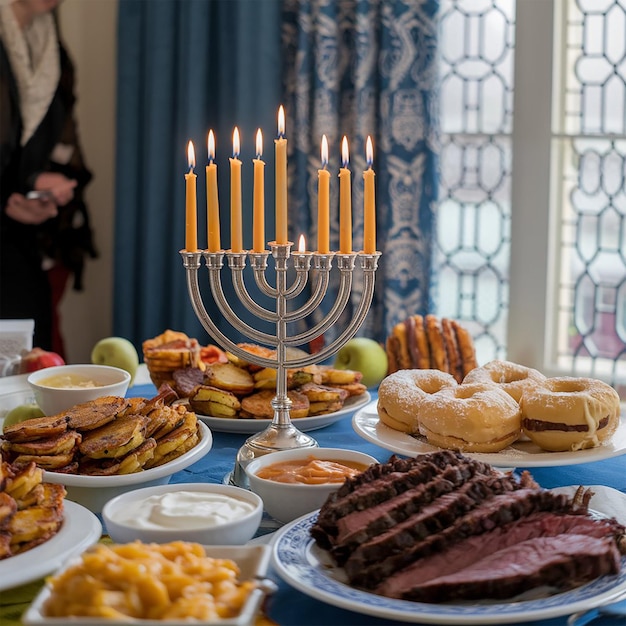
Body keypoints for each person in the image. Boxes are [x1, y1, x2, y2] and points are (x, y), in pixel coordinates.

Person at [0, 0, 97, 358]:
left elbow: (61, 145)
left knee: (30, 364)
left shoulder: (53, 52)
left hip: (26, 237)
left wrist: (43, 183)